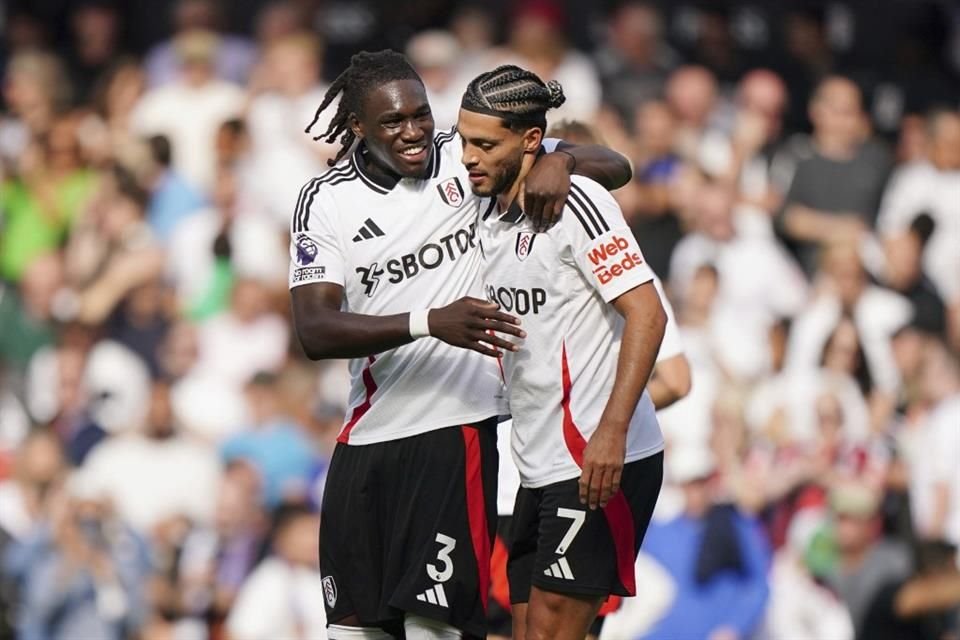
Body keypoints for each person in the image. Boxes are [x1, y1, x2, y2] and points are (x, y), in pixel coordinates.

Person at [288, 50, 630, 640]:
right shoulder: (326, 200)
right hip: (364, 442)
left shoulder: (461, 159)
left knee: (434, 628)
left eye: (421, 114)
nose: (414, 131)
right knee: (351, 630)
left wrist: (561, 159)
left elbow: (618, 166)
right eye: (393, 122)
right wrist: (428, 321)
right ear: (358, 128)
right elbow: (315, 331)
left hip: (455, 437)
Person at [457, 65, 666, 640]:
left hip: (595, 459)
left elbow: (648, 313)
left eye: (484, 144)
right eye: (463, 140)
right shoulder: (481, 203)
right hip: (536, 460)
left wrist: (612, 432)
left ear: (529, 141)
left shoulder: (577, 204)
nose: (468, 156)